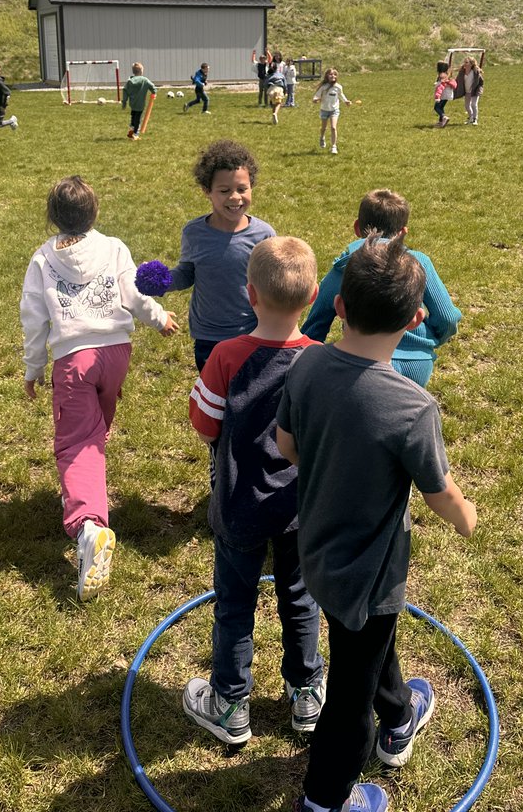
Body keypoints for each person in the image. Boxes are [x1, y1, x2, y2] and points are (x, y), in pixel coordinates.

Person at [277, 237, 477, 812]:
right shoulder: (411, 406)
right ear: (417, 320)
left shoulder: (308, 361)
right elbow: (439, 492)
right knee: (347, 698)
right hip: (369, 573)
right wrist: (467, 518)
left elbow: (285, 445)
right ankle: (325, 798)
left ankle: (397, 718)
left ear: (338, 306)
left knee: (365, 640)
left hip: (315, 551)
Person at [182, 236, 325, 745]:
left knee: (236, 602)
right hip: (302, 510)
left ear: (249, 295)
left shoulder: (225, 356)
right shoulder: (322, 361)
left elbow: (204, 425)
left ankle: (230, 704)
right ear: (312, 296)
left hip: (240, 503)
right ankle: (307, 694)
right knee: (300, 598)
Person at [20, 176, 179, 599]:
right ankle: (87, 491)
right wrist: (159, 317)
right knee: (94, 432)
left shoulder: (42, 258)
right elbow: (136, 291)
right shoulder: (114, 247)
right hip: (116, 355)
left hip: (74, 360)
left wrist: (33, 367)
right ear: (96, 213)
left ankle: (89, 527)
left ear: (52, 217)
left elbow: (33, 318)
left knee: (77, 443)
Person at [302, 189, 461, 387]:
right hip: (416, 363)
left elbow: (315, 327)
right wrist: (431, 341)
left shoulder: (345, 267)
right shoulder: (419, 263)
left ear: (357, 227)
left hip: (360, 360)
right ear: (403, 232)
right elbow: (448, 317)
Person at [169, 139, 276, 372]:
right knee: (215, 400)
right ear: (207, 191)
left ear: (252, 186)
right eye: (224, 191)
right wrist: (163, 281)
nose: (235, 197)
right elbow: (186, 274)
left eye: (242, 189)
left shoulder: (264, 235)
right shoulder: (194, 233)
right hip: (209, 336)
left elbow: (272, 285)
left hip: (252, 332)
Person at [312, 67, 352, 154]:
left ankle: (334, 147)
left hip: (334, 110)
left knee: (333, 127)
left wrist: (346, 101)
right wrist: (315, 99)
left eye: (334, 74)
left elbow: (341, 95)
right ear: (327, 76)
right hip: (324, 110)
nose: (332, 76)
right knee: (323, 128)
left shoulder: (338, 87)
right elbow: (317, 95)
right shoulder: (323, 87)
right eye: (330, 74)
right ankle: (322, 137)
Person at [121, 61, 157, 139]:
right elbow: (153, 87)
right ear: (141, 71)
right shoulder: (144, 80)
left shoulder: (130, 81)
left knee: (133, 116)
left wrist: (124, 102)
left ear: (133, 72)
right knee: (138, 119)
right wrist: (154, 93)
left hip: (132, 104)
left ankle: (131, 129)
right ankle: (135, 134)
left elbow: (125, 90)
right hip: (140, 104)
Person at [455, 57, 484, 125]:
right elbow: (457, 80)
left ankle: (475, 119)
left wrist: (479, 89)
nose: (465, 64)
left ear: (471, 64)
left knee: (474, 104)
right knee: (467, 106)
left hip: (474, 91)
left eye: (466, 62)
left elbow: (481, 82)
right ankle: (471, 117)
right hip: (467, 92)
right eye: (464, 62)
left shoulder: (475, 72)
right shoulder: (462, 72)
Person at [433, 61, 456, 129]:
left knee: (436, 107)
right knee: (441, 107)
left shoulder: (442, 75)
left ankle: (444, 117)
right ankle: (441, 121)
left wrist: (438, 96)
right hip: (448, 95)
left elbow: (441, 87)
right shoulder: (448, 75)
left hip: (443, 95)